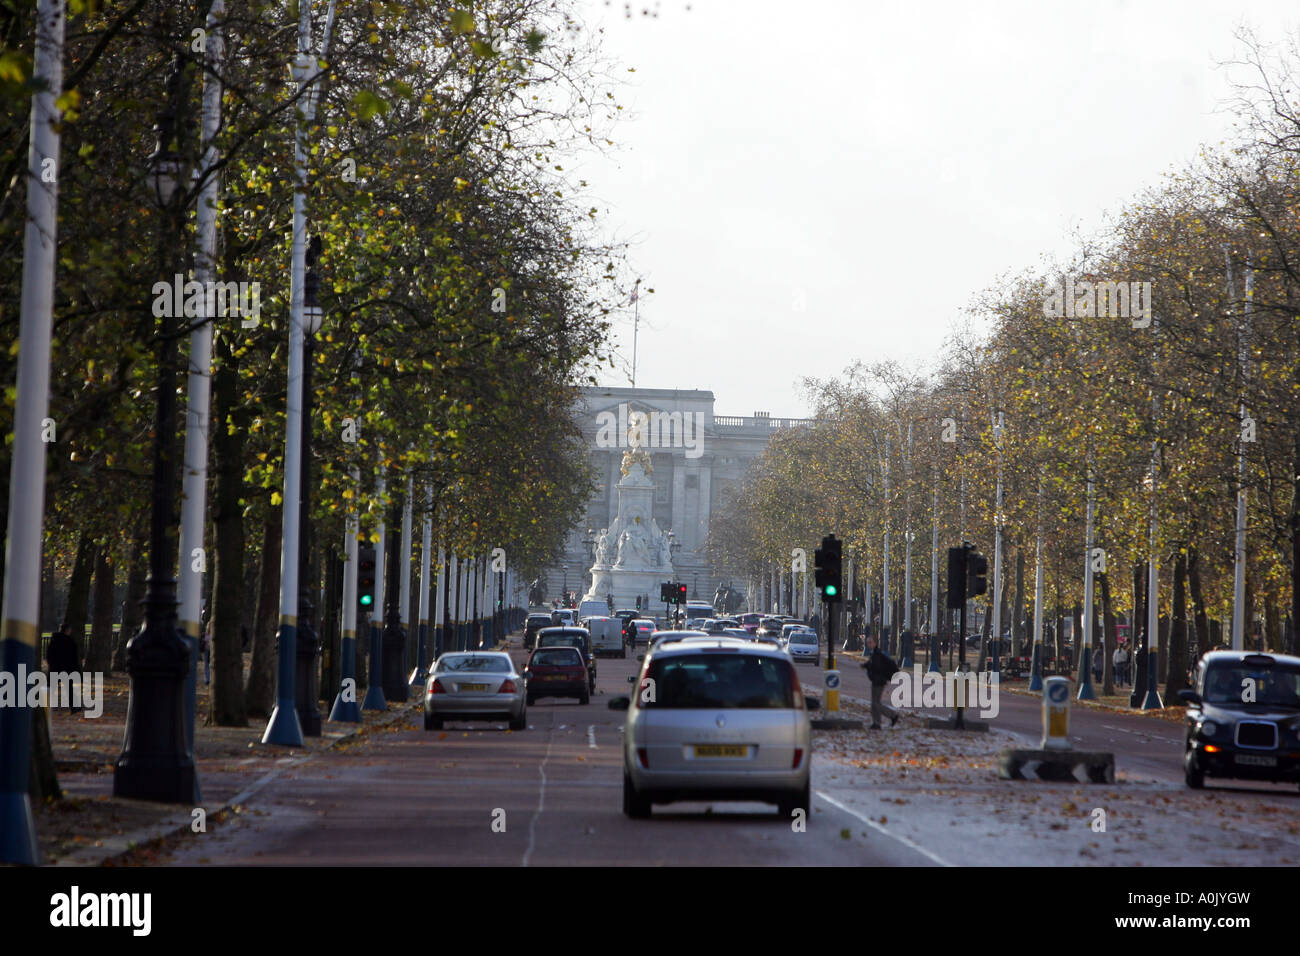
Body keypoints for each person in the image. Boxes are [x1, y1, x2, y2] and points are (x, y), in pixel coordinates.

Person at [863, 644, 900, 729]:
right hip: (878, 681)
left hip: (878, 682)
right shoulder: (876, 654)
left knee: (876, 703)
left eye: (870, 642)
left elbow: (876, 668)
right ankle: (876, 723)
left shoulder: (877, 655)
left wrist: (868, 667)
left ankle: (892, 715)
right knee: (874, 703)